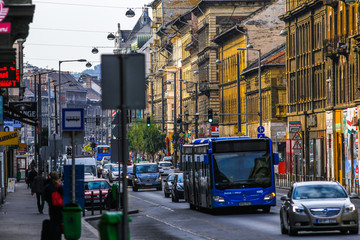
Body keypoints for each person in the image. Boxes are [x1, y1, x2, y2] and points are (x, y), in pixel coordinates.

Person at [44, 172, 63, 240]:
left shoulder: (48, 187)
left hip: (51, 207)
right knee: (59, 223)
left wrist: (50, 202)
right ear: (57, 178)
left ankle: (53, 236)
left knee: (53, 221)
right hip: (59, 208)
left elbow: (45, 197)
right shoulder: (60, 187)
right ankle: (58, 237)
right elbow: (64, 197)